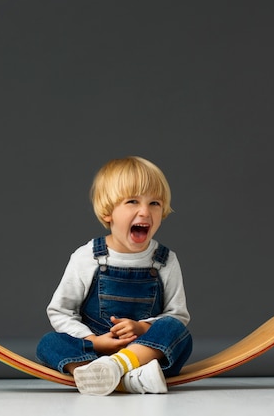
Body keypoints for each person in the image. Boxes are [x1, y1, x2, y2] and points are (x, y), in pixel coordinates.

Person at [36, 156, 193, 396]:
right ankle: (121, 379)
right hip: (96, 350)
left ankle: (118, 368)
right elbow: (61, 311)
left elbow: (177, 315)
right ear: (108, 211)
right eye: (132, 201)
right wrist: (94, 341)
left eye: (155, 203)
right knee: (48, 343)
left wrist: (141, 328)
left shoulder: (165, 260)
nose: (145, 211)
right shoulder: (86, 256)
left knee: (178, 332)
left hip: (147, 354)